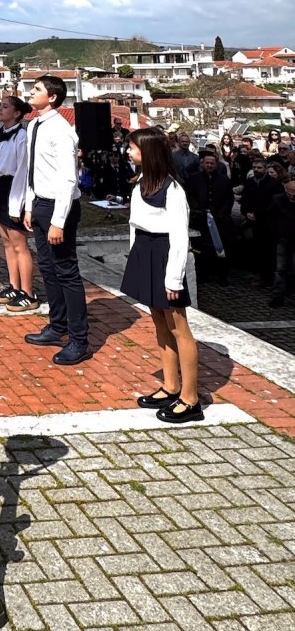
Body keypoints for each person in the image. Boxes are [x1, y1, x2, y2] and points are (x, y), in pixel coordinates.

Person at [122, 127, 202, 422]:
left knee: (178, 326)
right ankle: (170, 385)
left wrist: (174, 278)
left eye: (133, 148)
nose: (129, 152)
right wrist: (134, 258)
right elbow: (135, 224)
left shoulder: (173, 190)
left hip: (166, 254)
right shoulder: (141, 183)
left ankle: (190, 398)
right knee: (159, 322)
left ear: (149, 152)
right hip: (145, 252)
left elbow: (180, 236)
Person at [22, 76, 89, 365]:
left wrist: (58, 220)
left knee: (66, 272)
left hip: (58, 207)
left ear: (52, 97)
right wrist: (28, 205)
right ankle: (57, 326)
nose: (31, 92)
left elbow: (67, 177)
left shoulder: (62, 130)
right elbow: (32, 169)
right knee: (48, 269)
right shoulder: (35, 124)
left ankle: (79, 339)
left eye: (37, 89)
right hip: (39, 202)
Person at [0, 94, 37, 311]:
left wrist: (18, 204)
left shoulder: (22, 136)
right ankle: (14, 286)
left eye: (5, 107)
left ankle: (28, 292)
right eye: (0, 106)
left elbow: (22, 171)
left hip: (15, 189)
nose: (0, 110)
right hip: (1, 188)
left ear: (16, 113)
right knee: (7, 242)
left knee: (19, 244)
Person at [184, 151, 235, 279]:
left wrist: (221, 213)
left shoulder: (224, 180)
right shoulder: (194, 178)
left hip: (219, 219)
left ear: (216, 164)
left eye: (212, 163)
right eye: (207, 163)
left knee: (220, 247)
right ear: (203, 163)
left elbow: (229, 199)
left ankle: (221, 274)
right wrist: (198, 210)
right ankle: (202, 273)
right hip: (200, 218)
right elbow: (189, 196)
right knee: (200, 248)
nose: (209, 165)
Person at [241, 155, 284, 285]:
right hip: (252, 220)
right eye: (254, 167)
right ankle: (259, 274)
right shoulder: (249, 182)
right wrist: (246, 212)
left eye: (259, 168)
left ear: (265, 168)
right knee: (256, 248)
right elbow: (244, 200)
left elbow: (274, 204)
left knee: (268, 251)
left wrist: (258, 214)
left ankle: (267, 277)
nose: (256, 170)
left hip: (267, 222)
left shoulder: (274, 183)